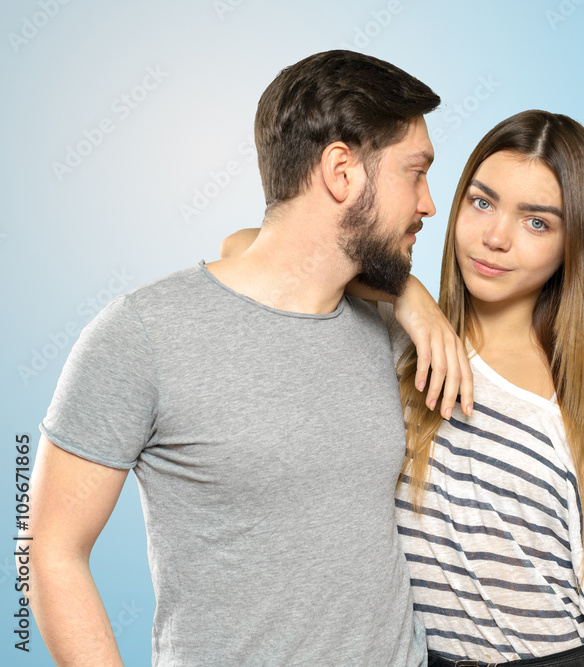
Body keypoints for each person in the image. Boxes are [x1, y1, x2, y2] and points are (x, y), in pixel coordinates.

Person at [28, 50, 471, 666]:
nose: (428, 204)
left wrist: (409, 294)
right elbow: (48, 550)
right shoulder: (142, 335)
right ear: (341, 171)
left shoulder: (394, 334)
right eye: (414, 173)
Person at [227, 110, 584, 666]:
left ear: (573, 243)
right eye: (482, 202)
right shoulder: (400, 340)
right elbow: (245, 249)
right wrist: (406, 293)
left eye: (536, 222)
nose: (495, 238)